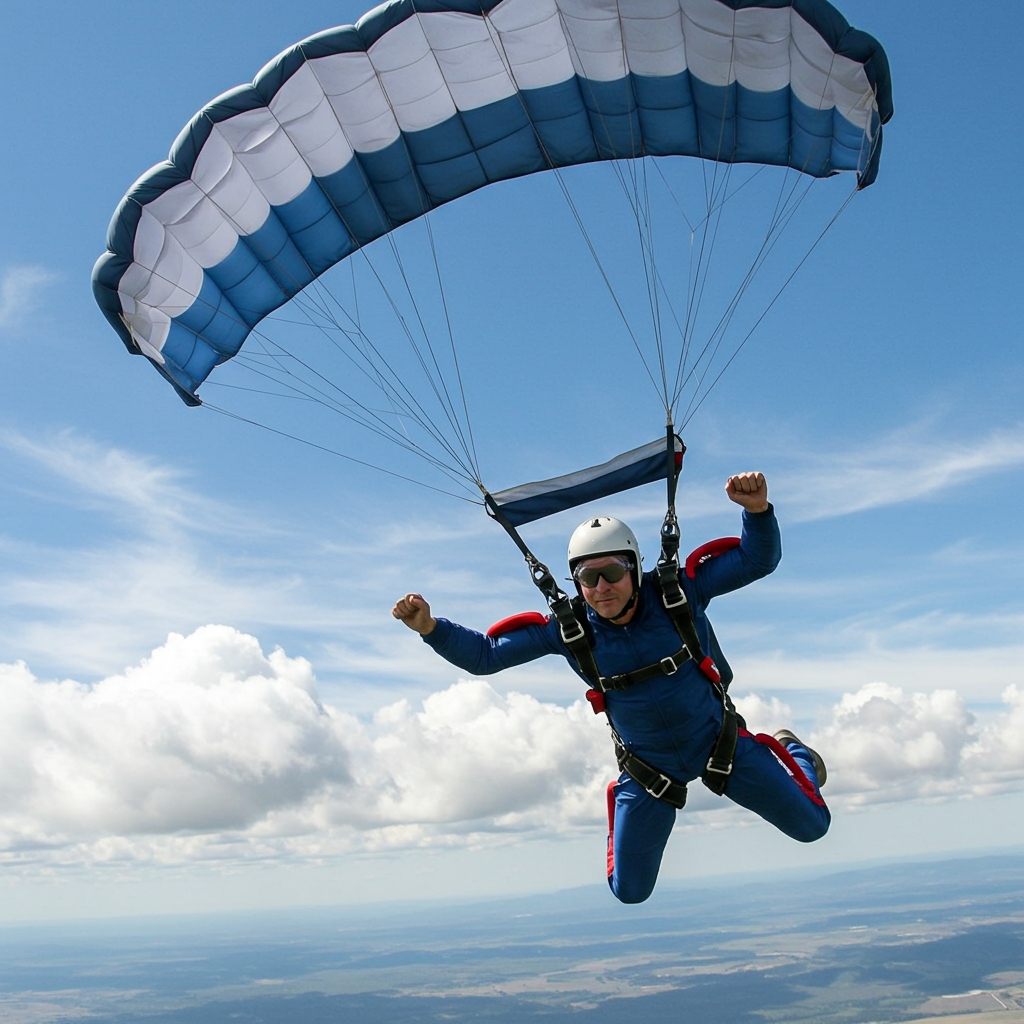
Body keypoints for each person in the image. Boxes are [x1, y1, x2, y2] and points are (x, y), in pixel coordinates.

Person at [393, 472, 829, 903]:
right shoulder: (569, 630)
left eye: (612, 571)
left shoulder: (678, 595)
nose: (601, 587)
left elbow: (757, 561)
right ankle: (623, 805)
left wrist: (756, 512)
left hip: (722, 744)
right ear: (575, 582)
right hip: (649, 772)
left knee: (813, 827)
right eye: (587, 577)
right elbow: (486, 656)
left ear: (634, 568)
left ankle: (794, 752)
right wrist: (431, 628)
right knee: (630, 891)